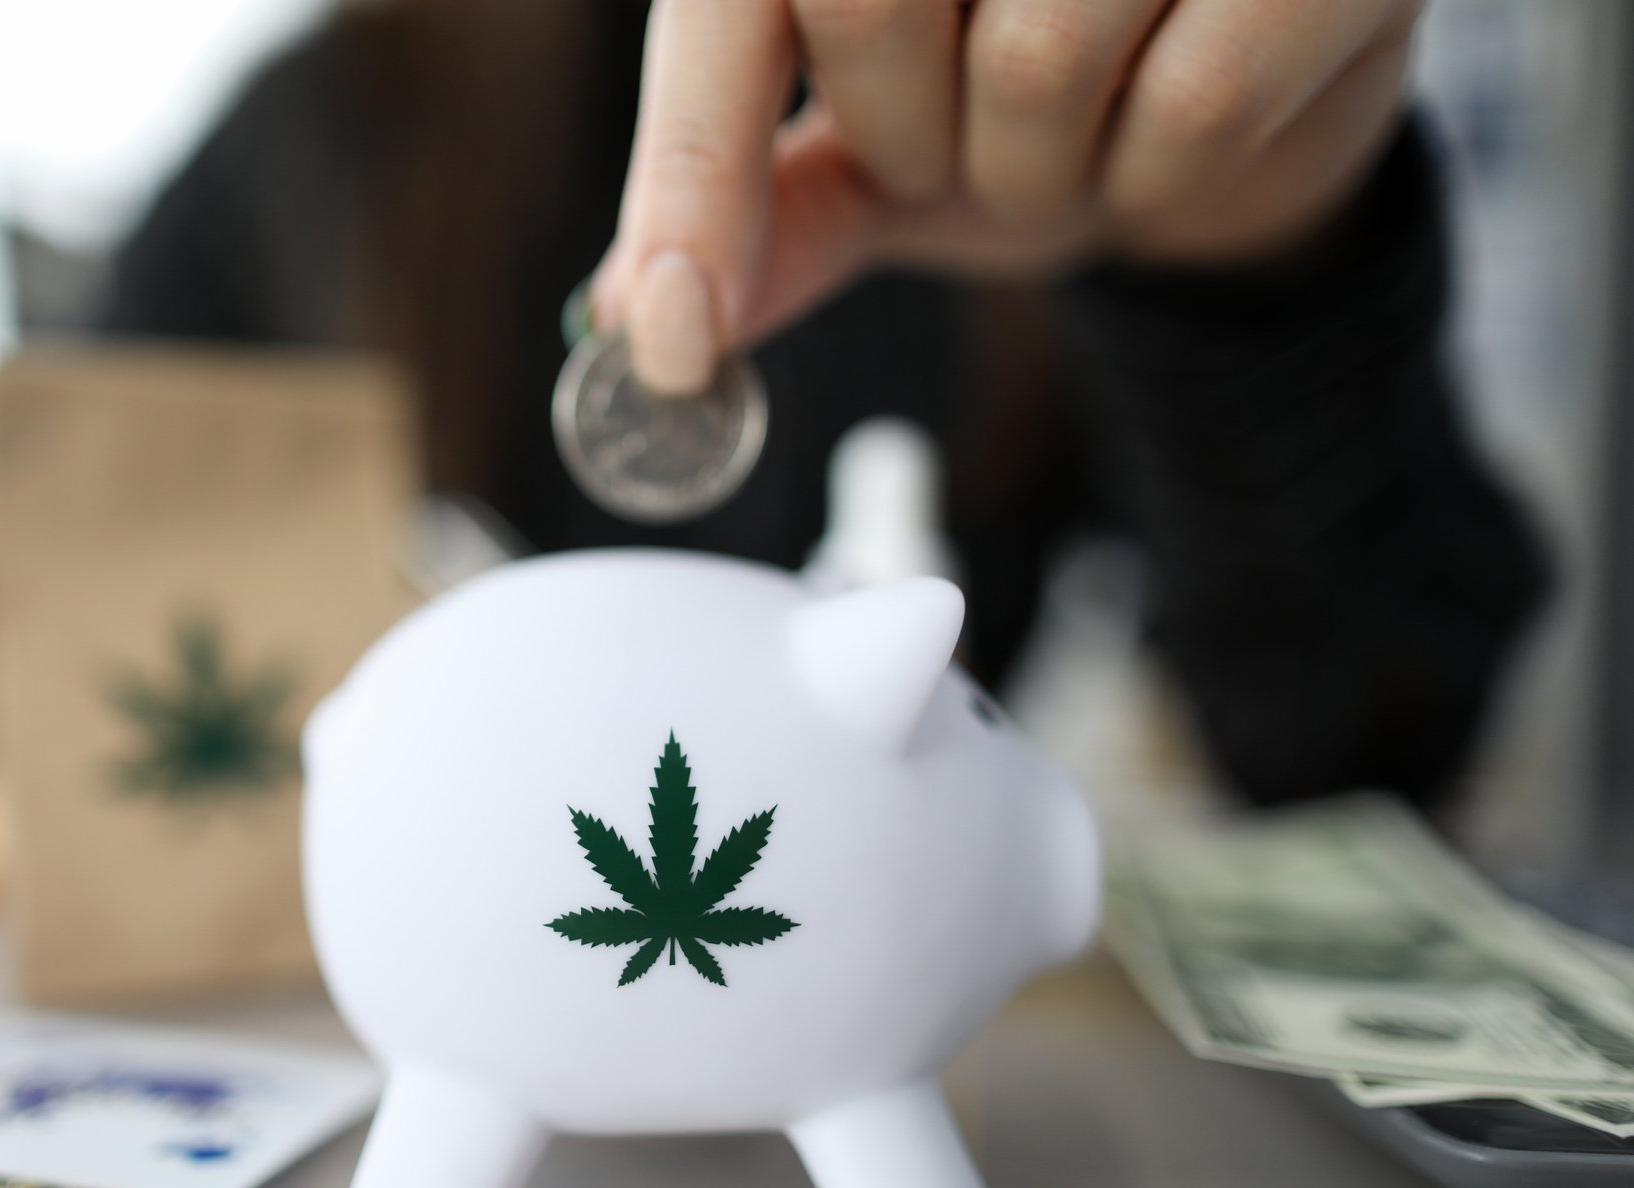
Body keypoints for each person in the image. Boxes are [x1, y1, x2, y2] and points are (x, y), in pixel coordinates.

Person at [98, 0, 1547, 812]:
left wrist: (1250, 258)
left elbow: (1368, 746)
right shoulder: (313, 140)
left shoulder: (1077, 107)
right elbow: (18, 703)